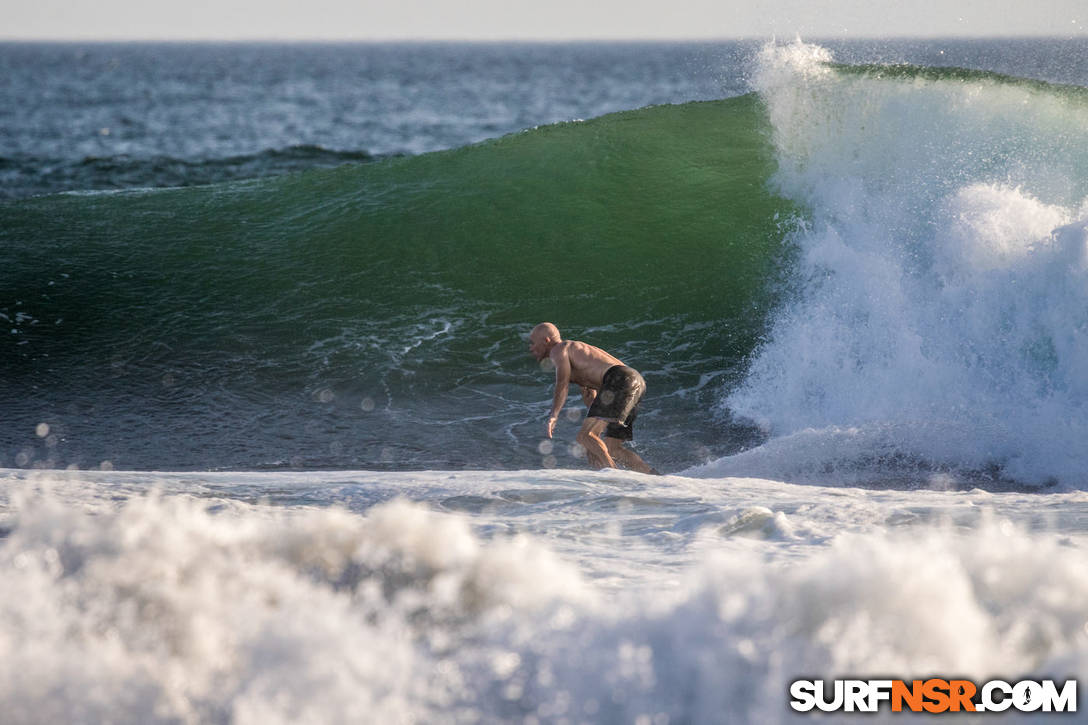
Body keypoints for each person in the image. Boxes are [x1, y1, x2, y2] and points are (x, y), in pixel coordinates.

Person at [528, 322, 659, 474]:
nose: (531, 348)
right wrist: (593, 443)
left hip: (619, 379)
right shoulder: (579, 355)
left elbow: (562, 383)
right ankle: (655, 477)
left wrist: (554, 415)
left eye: (533, 343)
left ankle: (615, 478)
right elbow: (591, 396)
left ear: (546, 341)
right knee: (613, 449)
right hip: (635, 382)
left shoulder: (559, 349)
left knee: (585, 436)